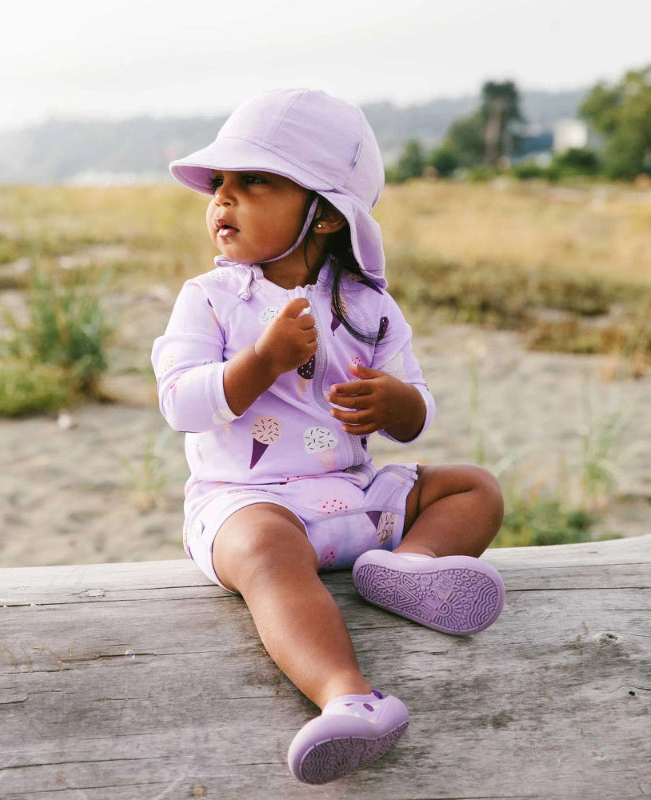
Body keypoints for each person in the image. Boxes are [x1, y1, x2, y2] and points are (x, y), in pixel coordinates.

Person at [151, 88, 506, 785]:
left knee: (473, 486)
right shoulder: (210, 299)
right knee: (261, 549)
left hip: (352, 497)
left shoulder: (369, 304)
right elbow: (180, 401)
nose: (223, 199)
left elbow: (418, 406)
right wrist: (261, 362)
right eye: (217, 183)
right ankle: (349, 697)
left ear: (325, 217)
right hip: (249, 500)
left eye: (252, 180)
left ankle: (408, 566)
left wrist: (395, 405)